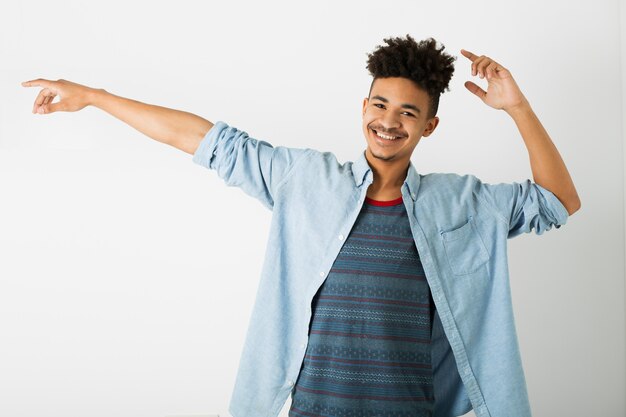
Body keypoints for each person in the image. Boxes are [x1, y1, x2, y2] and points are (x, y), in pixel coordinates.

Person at [22, 35, 580, 417]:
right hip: (313, 406)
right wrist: (93, 97)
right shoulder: (305, 180)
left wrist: (518, 108)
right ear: (363, 106)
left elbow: (558, 201)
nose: (388, 121)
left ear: (429, 125)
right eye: (380, 105)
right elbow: (198, 138)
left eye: (408, 112)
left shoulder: (460, 202)